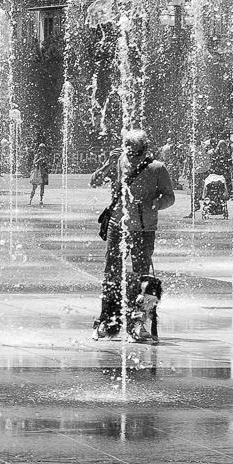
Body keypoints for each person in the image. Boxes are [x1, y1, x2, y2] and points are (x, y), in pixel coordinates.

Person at [92, 133, 175, 340]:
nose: (129, 150)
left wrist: (156, 204)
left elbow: (169, 197)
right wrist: (106, 165)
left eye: (133, 146)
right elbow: (94, 182)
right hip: (117, 226)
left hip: (144, 229)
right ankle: (106, 320)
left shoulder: (157, 168)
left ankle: (138, 323)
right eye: (127, 145)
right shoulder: (118, 161)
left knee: (142, 279)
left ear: (144, 147)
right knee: (111, 275)